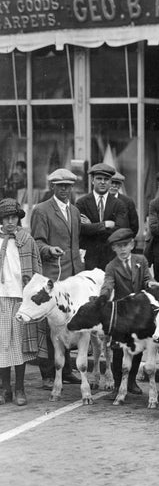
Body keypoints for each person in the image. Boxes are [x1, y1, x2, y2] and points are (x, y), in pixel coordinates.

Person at [30, 168, 84, 388]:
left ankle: (67, 369)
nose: (64, 190)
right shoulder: (41, 210)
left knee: (68, 322)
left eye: (68, 186)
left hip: (71, 275)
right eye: (60, 186)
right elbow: (37, 242)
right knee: (50, 323)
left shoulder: (75, 211)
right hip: (51, 274)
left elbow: (76, 243)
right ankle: (48, 373)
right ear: (52, 186)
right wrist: (49, 249)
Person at [0, 199, 45, 406]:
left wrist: (35, 297)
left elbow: (37, 271)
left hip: (20, 298)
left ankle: (19, 388)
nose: (10, 222)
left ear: (19, 218)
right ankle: (5, 389)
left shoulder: (27, 240)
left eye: (13, 217)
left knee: (20, 345)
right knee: (2, 345)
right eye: (6, 218)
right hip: (1, 298)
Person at [100, 228, 155, 395]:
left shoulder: (141, 260)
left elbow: (147, 279)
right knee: (118, 348)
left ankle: (131, 381)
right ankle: (118, 383)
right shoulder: (111, 266)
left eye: (125, 245)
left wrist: (151, 284)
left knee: (137, 346)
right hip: (122, 312)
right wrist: (103, 296)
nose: (123, 249)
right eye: (118, 246)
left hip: (139, 311)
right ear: (114, 249)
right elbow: (108, 283)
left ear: (132, 245)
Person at [76, 163, 129, 270]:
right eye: (99, 178)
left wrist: (92, 226)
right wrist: (105, 224)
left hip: (110, 256)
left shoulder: (118, 204)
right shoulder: (81, 203)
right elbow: (80, 228)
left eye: (106, 179)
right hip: (89, 257)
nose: (103, 182)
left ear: (110, 182)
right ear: (92, 181)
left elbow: (120, 231)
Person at [109, 172, 139, 237]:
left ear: (120, 185)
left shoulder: (127, 201)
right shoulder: (101, 200)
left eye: (117, 183)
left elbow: (134, 224)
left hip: (122, 240)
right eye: (112, 183)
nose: (114, 186)